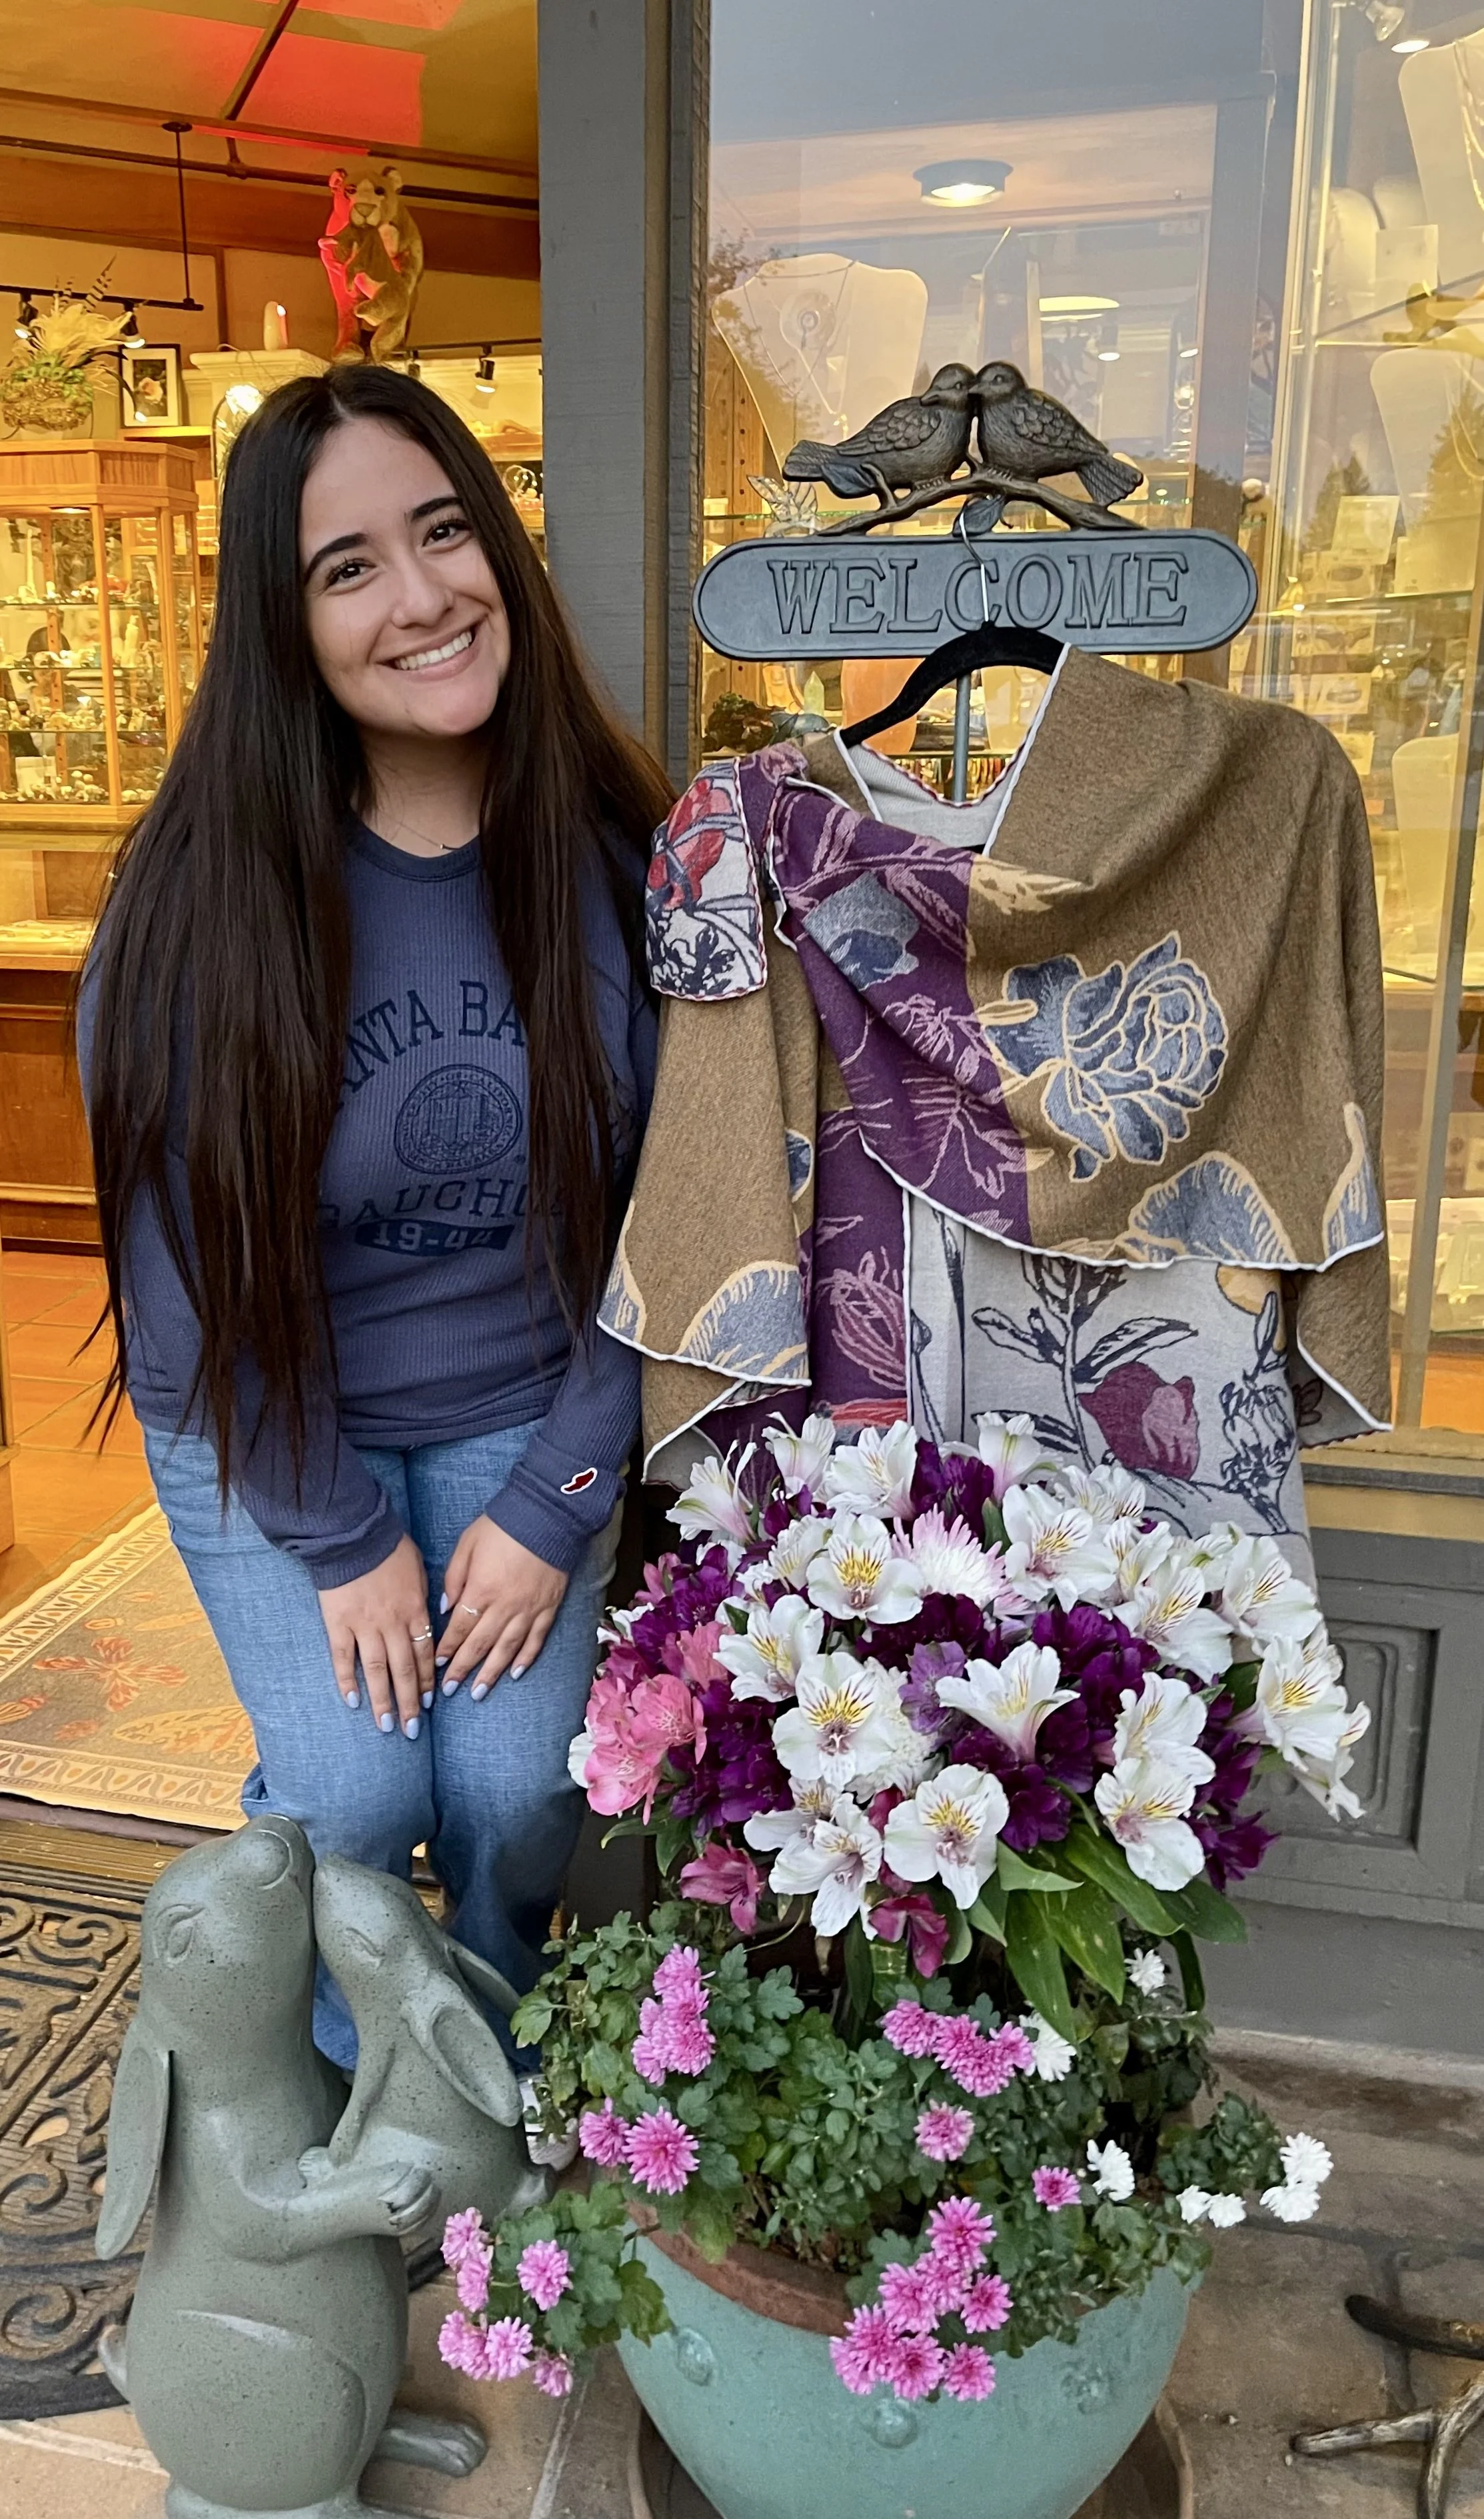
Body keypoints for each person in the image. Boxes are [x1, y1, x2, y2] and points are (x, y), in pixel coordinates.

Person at [80, 364, 670, 2071]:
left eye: (444, 531)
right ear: (286, 621)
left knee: (510, 1787)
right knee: (350, 1786)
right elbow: (183, 1293)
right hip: (277, 1415)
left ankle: (469, 2061)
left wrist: (561, 1502)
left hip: (529, 1408)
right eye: (349, 567)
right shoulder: (197, 896)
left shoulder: (621, 858)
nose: (420, 596)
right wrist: (342, 1541)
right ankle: (343, 2057)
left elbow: (673, 1231)